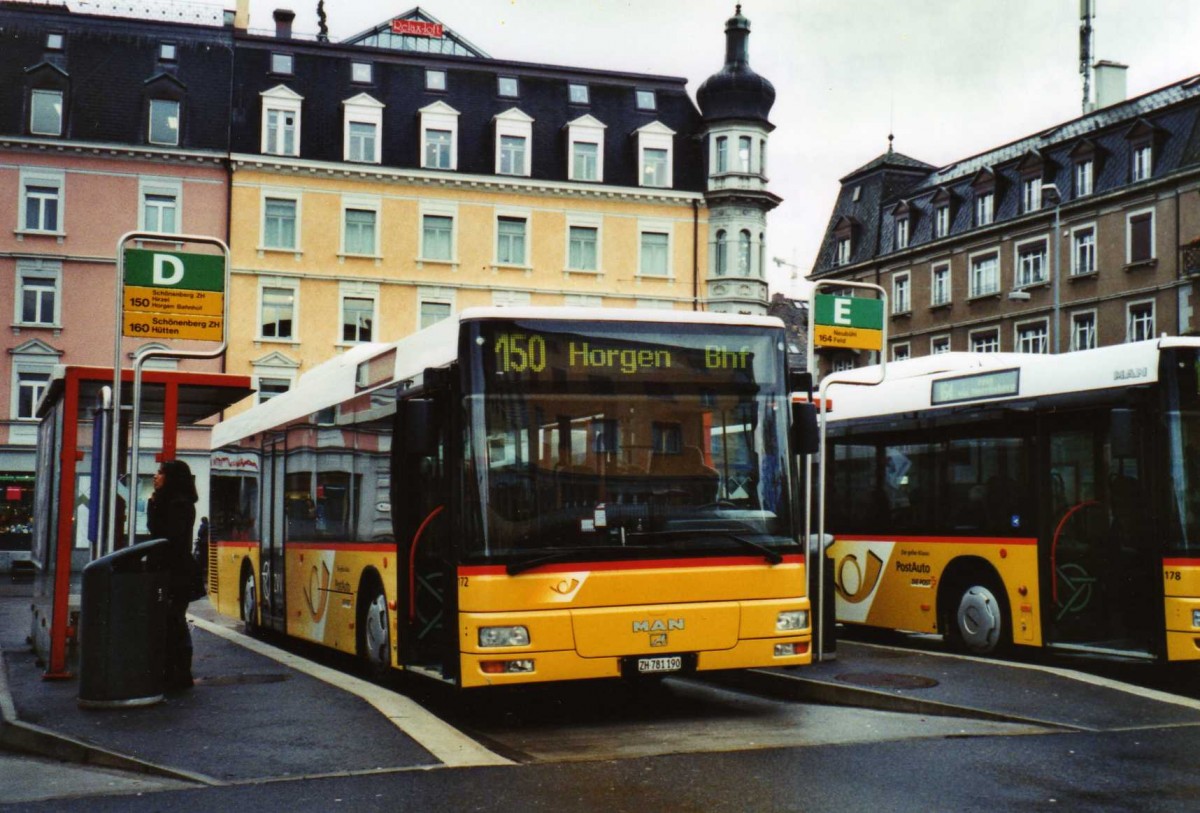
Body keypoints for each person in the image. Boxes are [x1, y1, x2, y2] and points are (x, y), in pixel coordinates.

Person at [147, 459, 198, 691]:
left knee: (173, 620)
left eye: (160, 473)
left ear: (172, 478)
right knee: (173, 620)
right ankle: (176, 670)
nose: (155, 476)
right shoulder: (176, 503)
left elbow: (161, 533)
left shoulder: (178, 505)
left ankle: (177, 672)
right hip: (175, 570)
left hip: (174, 571)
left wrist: (153, 504)